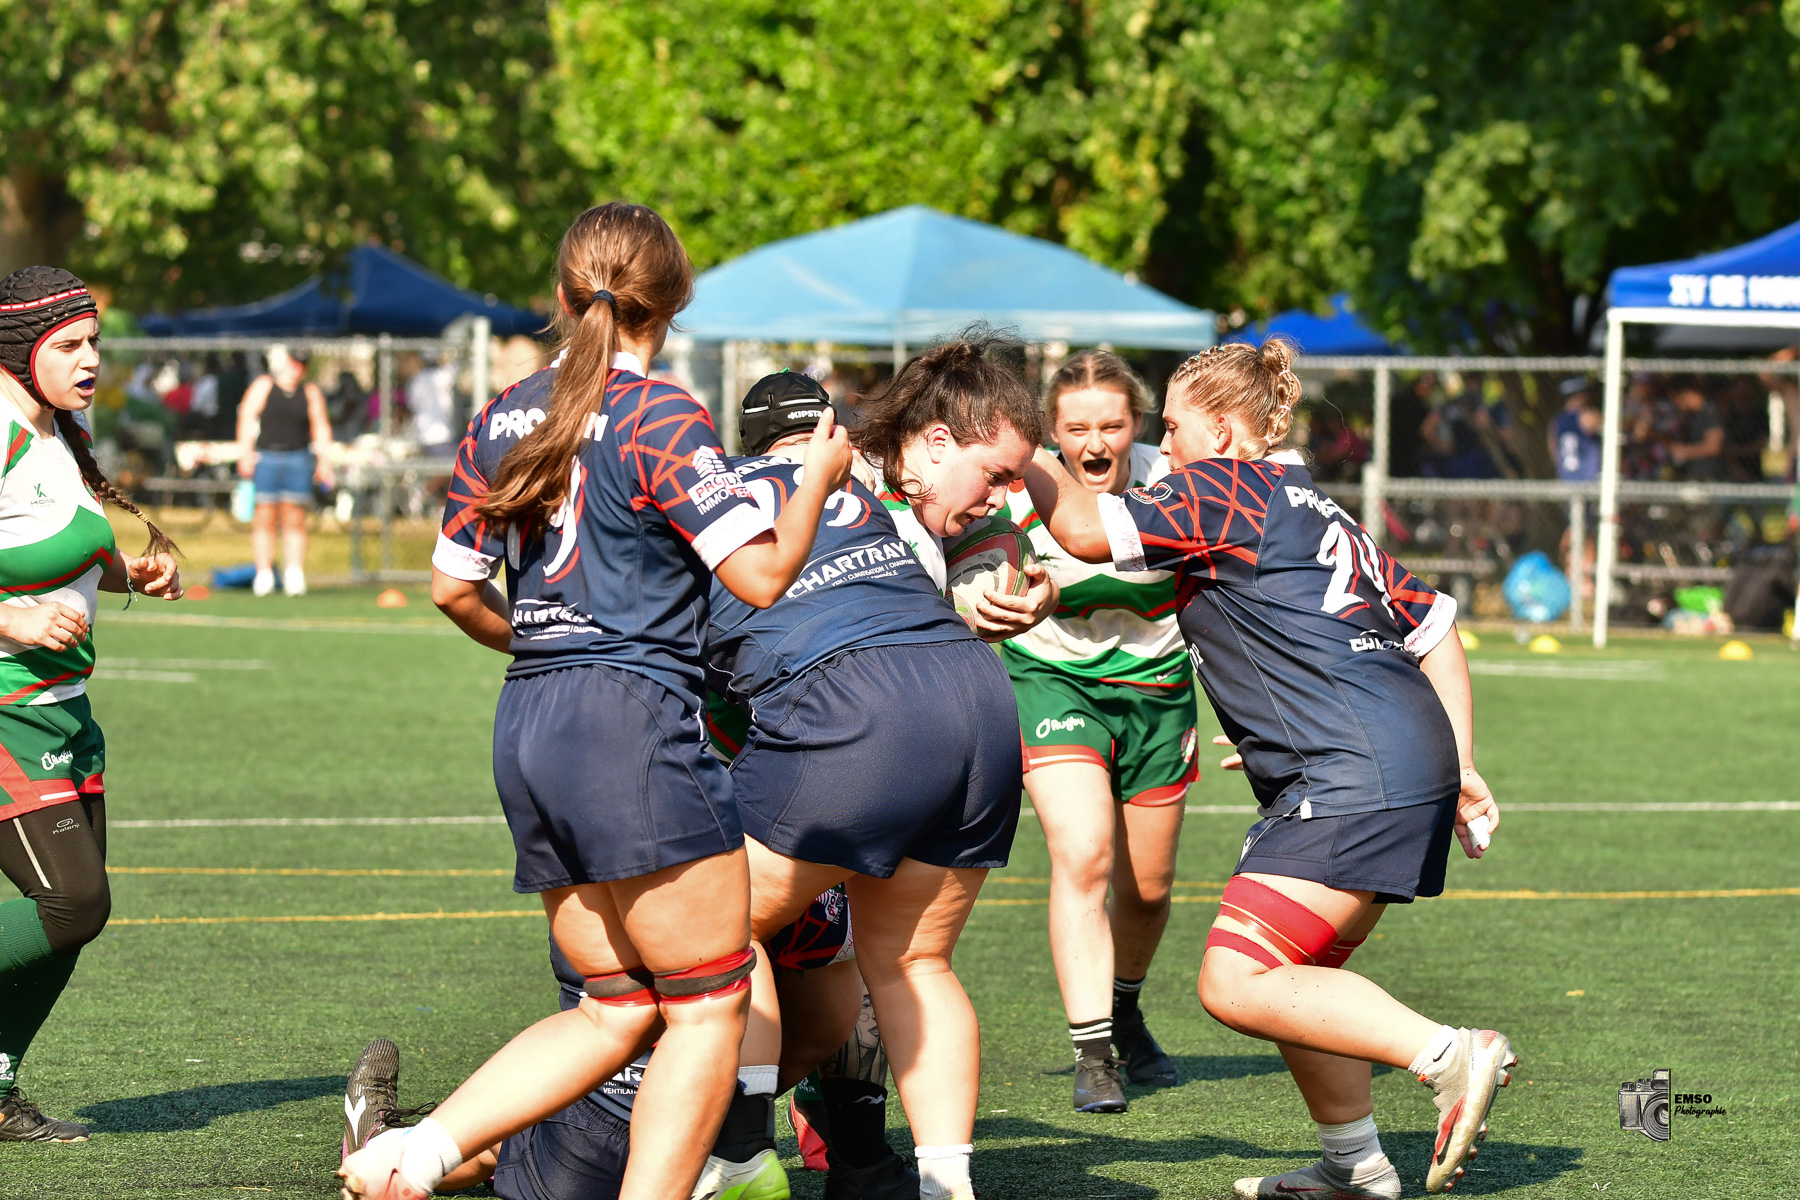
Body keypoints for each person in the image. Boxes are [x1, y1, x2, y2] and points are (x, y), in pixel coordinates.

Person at [347, 201, 853, 1200]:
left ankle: (413, 1156)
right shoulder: (662, 412)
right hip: (629, 721)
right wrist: (817, 481)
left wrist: (543, 648)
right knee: (710, 1005)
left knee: (615, 1009)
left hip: (531, 720)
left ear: (562, 293)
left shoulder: (502, 413)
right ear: (672, 302)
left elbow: (453, 586)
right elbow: (757, 578)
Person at [1021, 337, 1514, 1199]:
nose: (1161, 448)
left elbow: (1075, 527)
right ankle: (1354, 1166)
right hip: (1384, 760)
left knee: (1236, 977)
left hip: (1351, 770)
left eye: (1170, 429)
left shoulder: (1223, 485)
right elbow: (1434, 627)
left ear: (1221, 428)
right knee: (1297, 977)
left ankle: (1447, 1054)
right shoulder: (1312, 503)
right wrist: (1459, 760)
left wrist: (1014, 439)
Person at [706, 342, 1046, 1200]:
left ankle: (744, 1158)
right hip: (975, 706)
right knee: (914, 961)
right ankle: (940, 1182)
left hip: (846, 723)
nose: (1003, 493)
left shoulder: (722, 496)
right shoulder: (863, 489)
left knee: (707, 933)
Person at [337, 890, 864, 1200]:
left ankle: (399, 1154)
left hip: (590, 1142)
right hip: (700, 1127)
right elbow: (829, 1020)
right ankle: (778, 1146)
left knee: (608, 1024)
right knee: (747, 947)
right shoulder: (779, 812)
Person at [0, 265, 184, 1142]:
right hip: (5, 707)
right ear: (18, 348)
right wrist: (14, 616)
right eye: (68, 345)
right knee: (72, 902)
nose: (90, 360)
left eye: (94, 343)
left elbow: (54, 540)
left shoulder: (59, 434)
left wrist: (128, 572)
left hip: (65, 710)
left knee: (74, 918)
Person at [996, 350, 1194, 1113]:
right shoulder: (1022, 482)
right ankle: (1094, 1050)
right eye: (1076, 427)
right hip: (1052, 680)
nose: (1095, 441)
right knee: (1083, 855)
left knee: (1145, 892)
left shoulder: (1176, 476)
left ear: (1137, 425)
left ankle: (1126, 1005)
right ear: (1054, 429)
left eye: (1111, 424)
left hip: (1157, 689)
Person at [236, 344, 335, 596]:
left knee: (294, 518)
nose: (296, 369)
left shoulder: (310, 392)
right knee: (265, 517)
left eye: (302, 364)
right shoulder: (265, 386)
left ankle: (294, 573)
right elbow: (247, 416)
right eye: (294, 362)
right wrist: (245, 453)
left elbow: (320, 426)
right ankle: (264, 573)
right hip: (267, 457)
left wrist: (325, 461)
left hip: (298, 459)